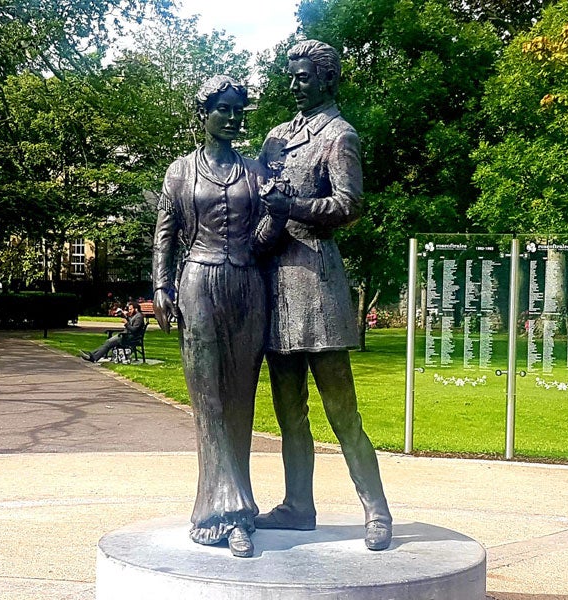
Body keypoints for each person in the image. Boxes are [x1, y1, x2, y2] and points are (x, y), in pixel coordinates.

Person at [256, 40, 393, 551]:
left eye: (304, 76)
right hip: (277, 287)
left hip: (317, 286)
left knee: (342, 412)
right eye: (291, 75)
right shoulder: (275, 137)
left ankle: (376, 509)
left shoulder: (339, 135)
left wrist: (294, 206)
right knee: (289, 412)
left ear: (327, 79)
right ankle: (298, 506)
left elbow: (349, 205)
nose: (294, 84)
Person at [149, 75, 286, 558]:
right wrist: (160, 285)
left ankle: (235, 508)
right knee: (208, 399)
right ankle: (222, 514)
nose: (231, 117)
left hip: (247, 286)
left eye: (237, 110)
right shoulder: (180, 172)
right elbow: (165, 234)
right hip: (198, 283)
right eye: (222, 109)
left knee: (240, 400)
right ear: (203, 114)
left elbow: (263, 242)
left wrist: (278, 215)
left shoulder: (255, 172)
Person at [80, 302, 145, 362]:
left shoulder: (139, 317)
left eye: (131, 309)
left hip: (130, 338)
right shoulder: (136, 316)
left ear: (136, 309)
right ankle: (92, 355)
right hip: (126, 336)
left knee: (108, 343)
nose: (129, 311)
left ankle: (93, 357)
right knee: (107, 342)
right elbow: (131, 324)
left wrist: (126, 323)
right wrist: (126, 317)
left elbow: (134, 330)